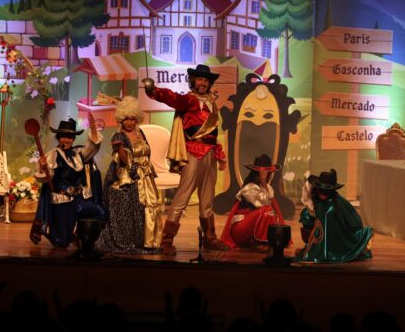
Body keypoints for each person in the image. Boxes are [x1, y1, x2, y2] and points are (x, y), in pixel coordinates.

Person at [142, 64, 228, 255]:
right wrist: (153, 90)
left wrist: (220, 155)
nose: (203, 83)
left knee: (207, 199)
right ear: (193, 81)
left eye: (206, 80)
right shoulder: (189, 100)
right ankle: (166, 240)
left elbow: (213, 134)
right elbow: (172, 97)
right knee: (182, 196)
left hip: (210, 154)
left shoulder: (212, 103)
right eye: (200, 79)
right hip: (193, 153)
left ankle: (210, 238)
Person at [95, 96, 163, 253]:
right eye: (126, 119)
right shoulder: (119, 136)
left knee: (147, 208)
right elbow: (124, 161)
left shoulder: (141, 133)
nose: (129, 123)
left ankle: (147, 241)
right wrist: (119, 148)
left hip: (144, 176)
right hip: (127, 176)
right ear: (121, 120)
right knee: (131, 207)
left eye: (132, 119)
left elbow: (147, 153)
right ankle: (129, 240)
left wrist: (146, 170)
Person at [29, 115, 106, 248]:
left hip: (77, 200)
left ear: (73, 139)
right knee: (62, 243)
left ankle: (78, 234)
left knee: (99, 212)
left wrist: (93, 130)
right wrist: (43, 166)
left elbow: (92, 148)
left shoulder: (77, 154)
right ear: (58, 138)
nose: (67, 140)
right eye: (63, 137)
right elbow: (45, 177)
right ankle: (51, 231)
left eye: (70, 137)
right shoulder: (53, 154)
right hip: (60, 200)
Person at [297, 169, 373, 262]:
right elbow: (308, 200)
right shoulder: (316, 197)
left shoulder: (332, 207)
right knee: (305, 214)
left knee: (328, 215)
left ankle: (322, 249)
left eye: (326, 191)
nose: (322, 194)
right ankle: (310, 246)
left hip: (338, 231)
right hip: (319, 219)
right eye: (320, 189)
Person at [220, 154, 288, 249]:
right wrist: (263, 182)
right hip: (241, 227)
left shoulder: (268, 188)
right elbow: (264, 203)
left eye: (268, 172)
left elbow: (272, 204)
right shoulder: (250, 187)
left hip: (252, 225)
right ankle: (261, 242)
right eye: (264, 172)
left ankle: (264, 240)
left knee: (270, 213)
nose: (267, 175)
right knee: (266, 211)